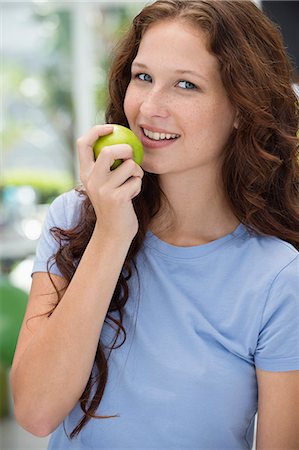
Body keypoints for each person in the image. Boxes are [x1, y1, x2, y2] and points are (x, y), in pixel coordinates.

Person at [10, 0, 299, 449]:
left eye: (186, 84)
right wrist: (111, 232)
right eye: (143, 77)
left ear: (242, 107)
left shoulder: (278, 276)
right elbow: (35, 411)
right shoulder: (74, 218)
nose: (149, 107)